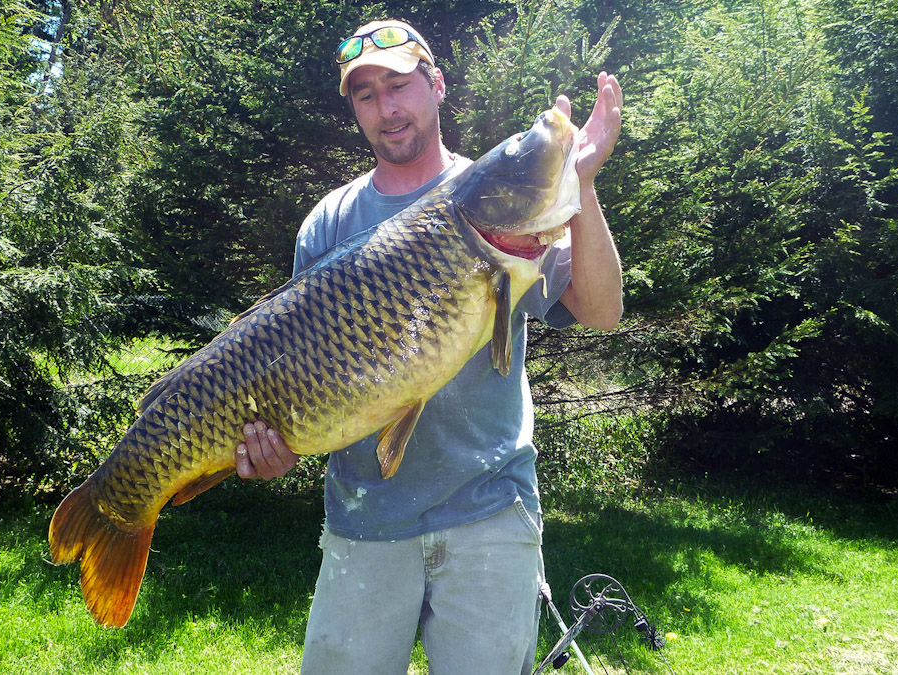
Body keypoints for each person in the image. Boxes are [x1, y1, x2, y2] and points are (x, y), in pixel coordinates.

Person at [233, 18, 623, 675]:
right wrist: (277, 448)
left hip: (490, 508)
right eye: (366, 95)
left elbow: (603, 310)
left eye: (399, 84)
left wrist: (580, 183)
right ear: (354, 109)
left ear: (435, 85)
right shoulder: (327, 223)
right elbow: (295, 382)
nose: (387, 108)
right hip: (365, 516)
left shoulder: (494, 198)